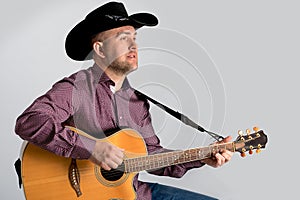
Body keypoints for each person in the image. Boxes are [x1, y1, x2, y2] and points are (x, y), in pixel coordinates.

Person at [15, 1, 233, 199]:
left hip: (133, 193)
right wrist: (92, 148)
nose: (133, 46)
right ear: (99, 49)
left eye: (134, 38)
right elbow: (30, 121)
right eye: (123, 38)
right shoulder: (76, 88)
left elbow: (152, 157)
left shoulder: (137, 103)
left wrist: (202, 156)